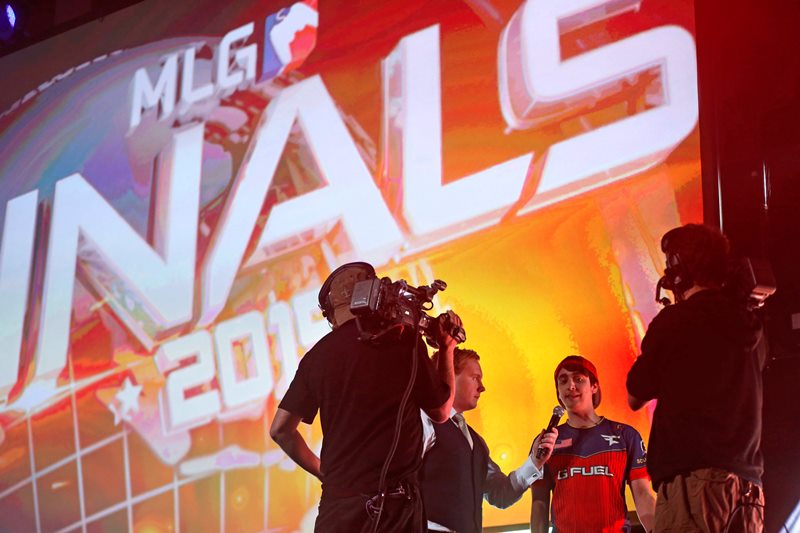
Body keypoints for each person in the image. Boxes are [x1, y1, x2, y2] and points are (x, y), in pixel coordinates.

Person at [269, 262, 460, 533]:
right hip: (396, 511)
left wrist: (326, 473)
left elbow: (280, 430)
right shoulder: (403, 339)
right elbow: (441, 410)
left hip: (339, 510)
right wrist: (447, 346)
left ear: (332, 316)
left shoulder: (317, 357)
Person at [627, 223, 767, 532]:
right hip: (748, 487)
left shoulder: (674, 322)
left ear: (679, 270)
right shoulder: (749, 323)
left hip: (695, 488)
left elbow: (634, 395)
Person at [420, 348, 558, 533]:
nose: (482, 387)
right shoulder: (421, 421)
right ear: (449, 374)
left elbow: (500, 494)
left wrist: (534, 462)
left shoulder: (477, 443)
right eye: (475, 377)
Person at [531, 355, 655, 533]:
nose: (570, 386)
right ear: (558, 391)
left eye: (579, 379)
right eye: (563, 381)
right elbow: (539, 504)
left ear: (594, 386)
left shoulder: (625, 436)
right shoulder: (545, 443)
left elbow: (643, 495)